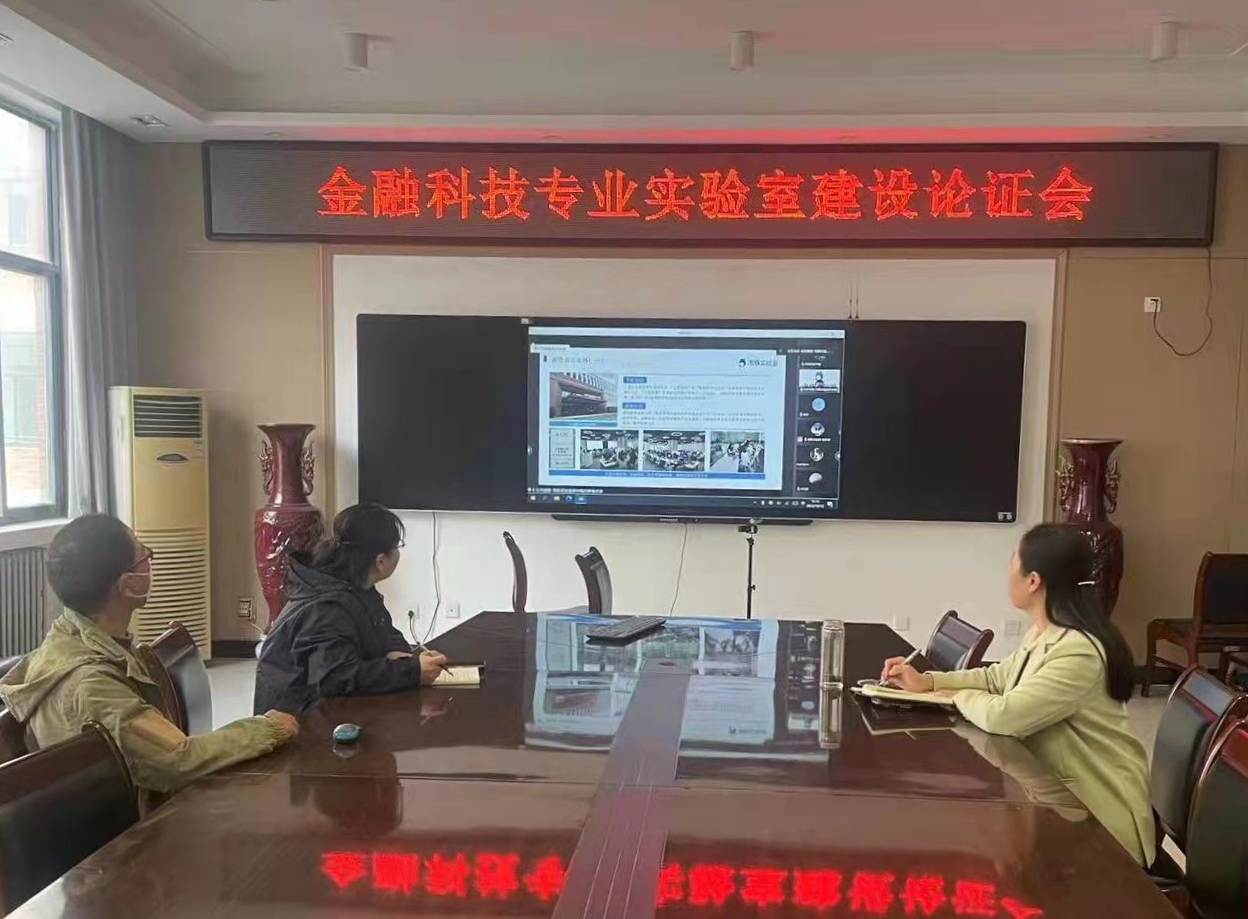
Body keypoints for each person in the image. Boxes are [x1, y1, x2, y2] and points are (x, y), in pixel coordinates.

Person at [880, 523, 1154, 866]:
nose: (1007, 573)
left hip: (1097, 820)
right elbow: (996, 678)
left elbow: (1005, 716)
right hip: (1056, 801)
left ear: (1033, 581)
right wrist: (928, 682)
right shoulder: (1044, 632)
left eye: (1012, 563)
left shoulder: (1078, 651)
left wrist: (951, 697)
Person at [0, 515, 298, 806]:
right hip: (128, 832)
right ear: (128, 584)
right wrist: (266, 728)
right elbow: (177, 760)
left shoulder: (73, 636)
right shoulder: (91, 685)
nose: (150, 562)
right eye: (144, 556)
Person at [254, 503, 447, 715]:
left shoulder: (358, 586)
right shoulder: (326, 607)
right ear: (380, 560)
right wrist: (412, 671)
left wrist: (404, 658)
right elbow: (336, 678)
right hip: (297, 722)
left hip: (329, 708)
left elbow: (385, 634)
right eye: (397, 546)